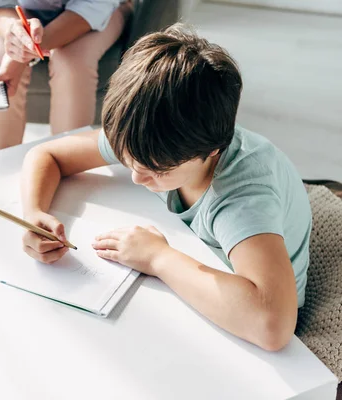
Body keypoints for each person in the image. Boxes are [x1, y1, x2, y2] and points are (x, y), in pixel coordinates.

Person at [19, 23, 312, 352]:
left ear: (210, 152)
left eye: (153, 172)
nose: (136, 178)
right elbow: (47, 154)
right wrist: (34, 213)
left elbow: (273, 325)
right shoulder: (148, 136)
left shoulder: (242, 198)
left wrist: (158, 258)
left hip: (246, 311)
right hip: (200, 273)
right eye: (130, 163)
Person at [0, 0, 131, 150]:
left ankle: (67, 163)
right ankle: (3, 163)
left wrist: (22, 54)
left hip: (98, 8)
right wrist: (16, 37)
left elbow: (95, 5)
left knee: (72, 66)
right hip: (13, 8)